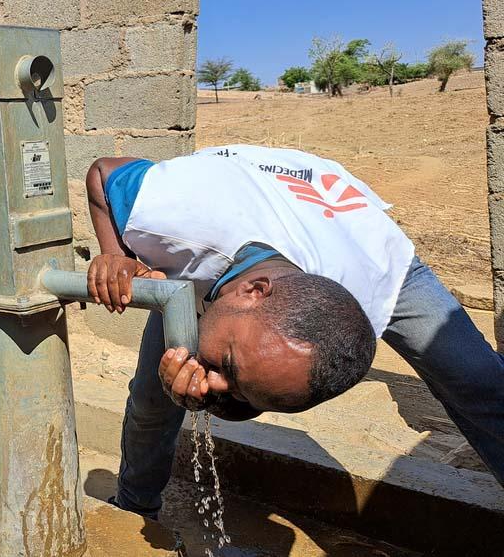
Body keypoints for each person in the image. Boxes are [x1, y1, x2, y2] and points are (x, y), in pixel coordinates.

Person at [86, 144, 504, 518]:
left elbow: (257, 390)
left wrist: (222, 398)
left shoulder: (370, 288)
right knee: (152, 399)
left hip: (362, 243)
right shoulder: (169, 214)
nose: (212, 381)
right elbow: (102, 173)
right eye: (226, 364)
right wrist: (116, 255)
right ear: (253, 291)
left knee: (480, 382)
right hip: (247, 194)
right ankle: (135, 506)